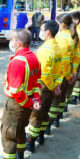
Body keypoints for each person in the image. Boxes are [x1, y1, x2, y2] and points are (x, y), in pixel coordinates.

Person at [0, 29, 41, 159]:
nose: (10, 41)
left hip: (17, 104)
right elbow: (37, 83)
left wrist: (30, 102)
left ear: (18, 43)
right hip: (26, 102)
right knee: (20, 130)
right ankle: (20, 157)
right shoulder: (34, 57)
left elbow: (16, 90)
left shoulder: (18, 61)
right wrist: (35, 100)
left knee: (8, 134)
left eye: (12, 39)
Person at [26, 20, 62, 152]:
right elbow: (59, 69)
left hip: (43, 86)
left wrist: (52, 87)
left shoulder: (45, 50)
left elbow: (44, 74)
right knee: (45, 112)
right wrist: (56, 86)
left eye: (41, 30)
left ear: (47, 32)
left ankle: (30, 141)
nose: (40, 32)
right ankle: (40, 136)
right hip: (53, 85)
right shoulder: (57, 47)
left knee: (36, 115)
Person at [47, 13, 78, 130]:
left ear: (63, 24)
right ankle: (55, 120)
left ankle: (49, 124)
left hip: (61, 74)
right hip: (65, 72)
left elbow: (63, 61)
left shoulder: (63, 39)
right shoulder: (68, 36)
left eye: (58, 22)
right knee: (60, 99)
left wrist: (64, 77)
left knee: (55, 101)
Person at [69, 12, 80, 103]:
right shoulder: (78, 31)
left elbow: (79, 49)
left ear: (76, 21)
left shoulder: (77, 33)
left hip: (74, 62)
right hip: (76, 61)